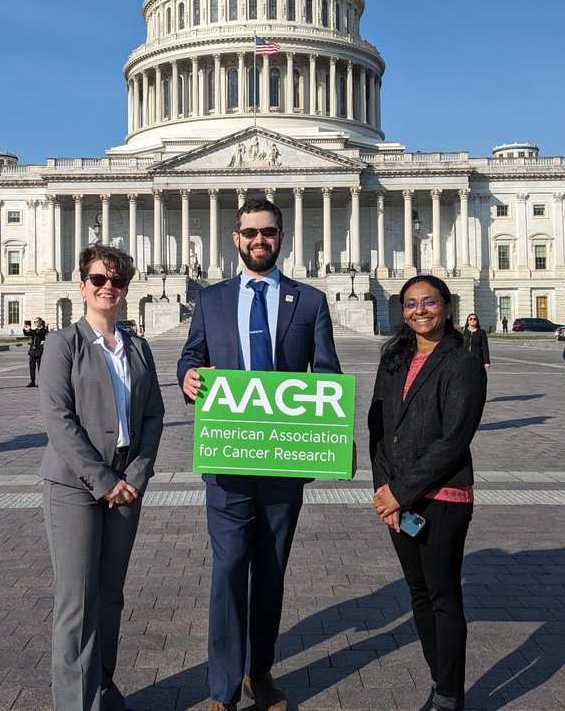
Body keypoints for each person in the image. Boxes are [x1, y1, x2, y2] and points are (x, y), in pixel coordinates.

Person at [178, 197, 340, 711]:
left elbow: (328, 376)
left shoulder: (310, 302)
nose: (258, 240)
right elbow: (193, 354)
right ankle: (222, 689)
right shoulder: (211, 300)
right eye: (249, 232)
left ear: (281, 236)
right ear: (236, 238)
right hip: (228, 460)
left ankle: (259, 672)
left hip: (284, 461)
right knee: (228, 571)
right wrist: (187, 376)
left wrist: (332, 435)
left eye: (267, 232)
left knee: (271, 572)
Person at [40, 244, 166, 711]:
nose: (107, 288)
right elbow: (57, 419)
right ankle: (75, 704)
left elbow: (153, 415)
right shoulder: (63, 343)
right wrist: (103, 479)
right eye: (98, 280)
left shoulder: (137, 347)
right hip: (74, 485)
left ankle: (102, 691)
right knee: (77, 603)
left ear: (127, 290)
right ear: (82, 286)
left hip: (126, 484)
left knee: (110, 596)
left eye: (116, 281)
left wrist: (134, 474)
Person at [368, 275, 487, 711]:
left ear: (448, 307)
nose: (420, 310)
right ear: (402, 311)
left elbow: (454, 440)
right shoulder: (394, 359)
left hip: (443, 497)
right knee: (418, 593)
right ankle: (442, 683)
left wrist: (399, 492)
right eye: (412, 303)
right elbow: (376, 425)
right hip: (398, 496)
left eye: (430, 302)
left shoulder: (463, 362)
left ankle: (449, 694)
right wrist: (384, 488)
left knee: (442, 594)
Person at [23, 317, 49, 387]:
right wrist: (24, 329)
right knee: (32, 367)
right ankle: (32, 381)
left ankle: (41, 382)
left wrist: (30, 329)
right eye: (34, 322)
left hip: (39, 351)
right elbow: (27, 334)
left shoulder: (43, 330)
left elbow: (38, 335)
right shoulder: (35, 330)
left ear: (40, 322)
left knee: (40, 367)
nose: (35, 323)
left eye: (36, 321)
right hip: (32, 351)